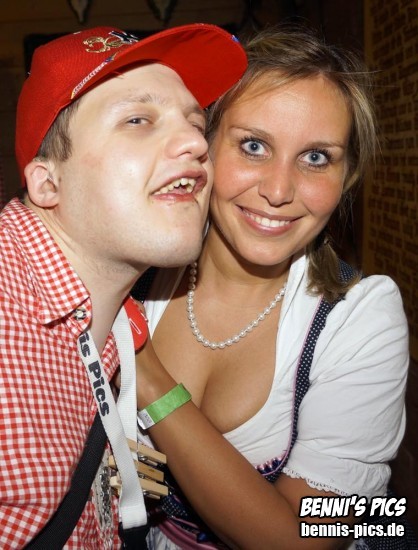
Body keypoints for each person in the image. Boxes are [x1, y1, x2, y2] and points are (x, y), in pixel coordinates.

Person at [131, 25, 409, 549]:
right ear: (203, 148)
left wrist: (147, 378)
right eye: (254, 146)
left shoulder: (364, 315)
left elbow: (308, 539)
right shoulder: (132, 273)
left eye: (316, 157)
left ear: (347, 177)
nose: (279, 191)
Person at [0, 24, 246, 549]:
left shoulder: (92, 309)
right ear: (48, 182)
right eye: (138, 120)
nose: (197, 144)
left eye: (196, 123)